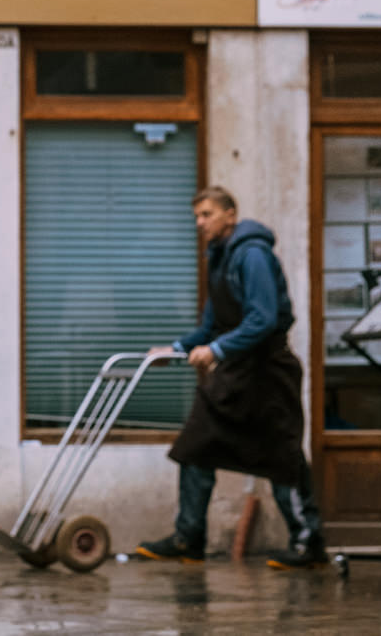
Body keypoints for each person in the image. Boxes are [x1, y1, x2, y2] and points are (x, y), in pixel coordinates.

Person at [136, 187, 327, 569]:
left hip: (268, 371)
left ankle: (309, 543)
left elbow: (263, 318)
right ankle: (188, 539)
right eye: (196, 216)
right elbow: (212, 325)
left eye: (206, 215)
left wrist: (217, 351)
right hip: (236, 373)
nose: (199, 223)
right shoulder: (219, 257)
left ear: (230, 215)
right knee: (195, 447)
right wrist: (173, 350)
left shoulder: (251, 254)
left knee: (281, 454)